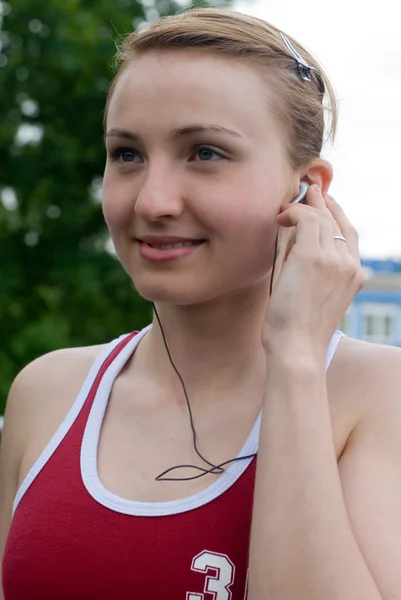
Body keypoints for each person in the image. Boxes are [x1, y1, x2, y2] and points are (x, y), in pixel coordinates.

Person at [1, 8, 401, 600]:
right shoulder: (47, 394)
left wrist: (293, 357)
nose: (153, 201)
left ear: (308, 189)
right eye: (127, 154)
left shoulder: (379, 398)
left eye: (206, 153)